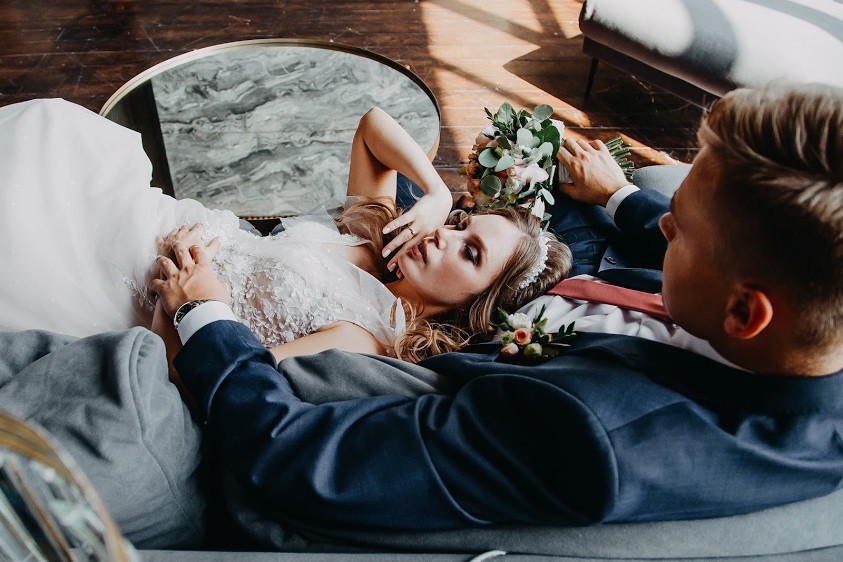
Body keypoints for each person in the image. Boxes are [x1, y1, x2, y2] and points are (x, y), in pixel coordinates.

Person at [152, 82, 843, 531]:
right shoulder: (795, 314)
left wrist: (204, 315)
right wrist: (620, 196)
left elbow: (299, 455)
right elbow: (680, 238)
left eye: (679, 230)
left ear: (744, 315)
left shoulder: (587, 432)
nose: (663, 224)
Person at [0, 100, 570, 364]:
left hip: (131, 291)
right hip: (154, 218)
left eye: (470, 254)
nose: (445, 235)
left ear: (476, 304)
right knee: (52, 128)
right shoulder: (382, 232)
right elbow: (372, 125)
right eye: (462, 225)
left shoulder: (365, 338)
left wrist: (177, 305)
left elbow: (219, 377)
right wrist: (439, 193)